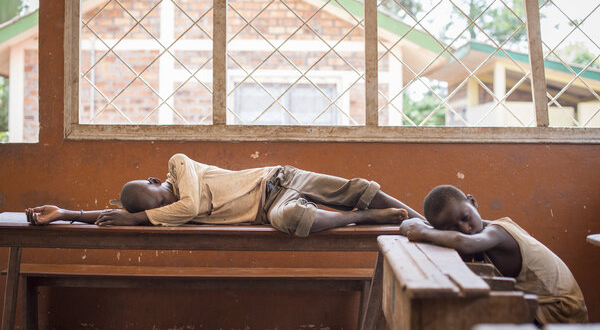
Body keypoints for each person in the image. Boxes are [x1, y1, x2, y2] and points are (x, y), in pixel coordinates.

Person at [26, 153, 424, 237]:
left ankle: (420, 220)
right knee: (292, 220)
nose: (165, 207)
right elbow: (111, 216)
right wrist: (65, 213)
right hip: (272, 207)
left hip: (281, 177)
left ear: (154, 180)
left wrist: (138, 218)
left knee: (357, 189)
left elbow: (189, 205)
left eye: (159, 198)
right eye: (157, 210)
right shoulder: (169, 210)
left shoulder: (180, 167)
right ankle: (363, 218)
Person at [399, 184, 588, 325]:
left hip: (560, 313)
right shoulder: (471, 237)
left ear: (472, 202)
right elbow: (407, 225)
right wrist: (422, 228)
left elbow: (465, 242)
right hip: (534, 308)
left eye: (465, 218)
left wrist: (424, 232)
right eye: (452, 229)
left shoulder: (498, 232)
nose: (465, 229)